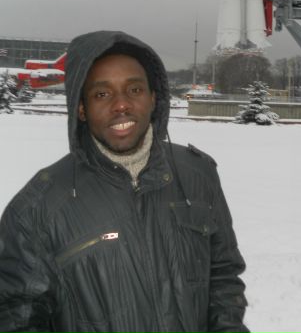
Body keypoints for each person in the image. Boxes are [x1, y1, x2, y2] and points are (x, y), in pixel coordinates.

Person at [0, 30, 249, 333]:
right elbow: (17, 316)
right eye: (102, 94)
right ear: (81, 109)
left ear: (153, 98)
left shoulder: (198, 174)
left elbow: (223, 277)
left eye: (134, 89)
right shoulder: (36, 209)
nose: (121, 104)